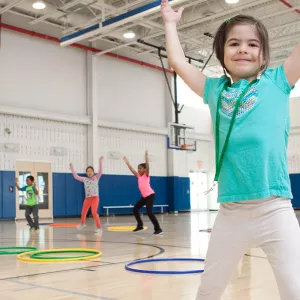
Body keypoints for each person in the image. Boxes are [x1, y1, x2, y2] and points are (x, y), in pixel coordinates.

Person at [161, 0, 300, 299]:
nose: (243, 49)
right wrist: (170, 23)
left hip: (274, 208)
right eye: (234, 43)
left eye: (252, 44)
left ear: (263, 54)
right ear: (222, 53)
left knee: (294, 288)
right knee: (209, 289)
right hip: (231, 212)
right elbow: (178, 62)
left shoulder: (279, 81)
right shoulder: (214, 90)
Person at [123, 151, 163, 235]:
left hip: (150, 196)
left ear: (144, 169)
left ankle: (158, 229)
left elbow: (148, 165)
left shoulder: (146, 175)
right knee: (135, 209)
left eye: (140, 168)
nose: (138, 170)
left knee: (149, 212)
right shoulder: (138, 176)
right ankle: (140, 225)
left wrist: (146, 157)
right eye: (138, 168)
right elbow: (132, 170)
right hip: (144, 197)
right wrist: (127, 163)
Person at [70, 157, 104, 234]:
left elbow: (101, 171)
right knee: (83, 212)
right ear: (86, 173)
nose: (89, 172)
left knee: (94, 213)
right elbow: (76, 176)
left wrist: (100, 161)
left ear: (93, 172)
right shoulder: (84, 179)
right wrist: (72, 168)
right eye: (88, 171)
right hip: (87, 198)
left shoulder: (96, 177)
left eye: (91, 171)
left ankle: (99, 228)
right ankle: (82, 224)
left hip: (95, 198)